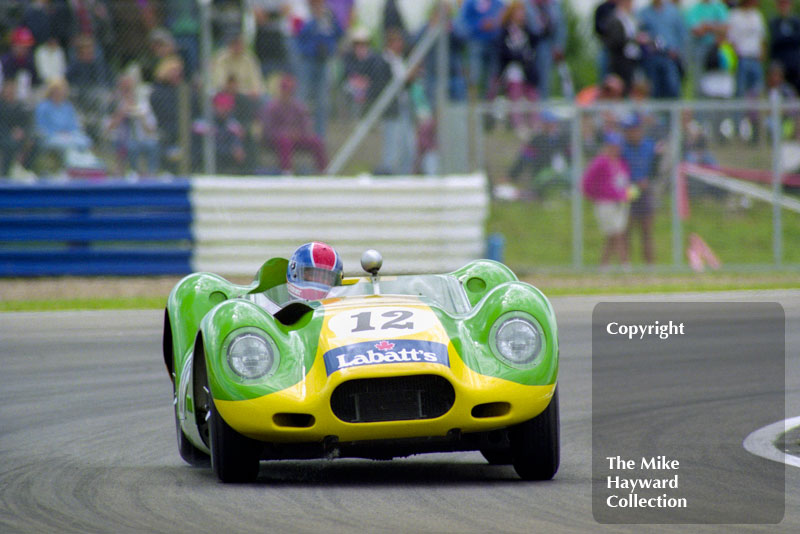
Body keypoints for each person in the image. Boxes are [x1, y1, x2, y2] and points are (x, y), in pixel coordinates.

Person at [582, 130, 632, 269]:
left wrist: (627, 195)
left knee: (613, 234)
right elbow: (587, 182)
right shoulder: (601, 162)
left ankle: (604, 265)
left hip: (620, 203)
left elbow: (625, 182)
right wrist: (595, 194)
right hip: (606, 202)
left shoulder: (621, 162)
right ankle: (625, 263)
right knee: (616, 233)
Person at [259, 74, 327, 174]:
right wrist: (285, 133)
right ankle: (287, 171)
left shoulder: (298, 107)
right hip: (278, 138)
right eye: (286, 90)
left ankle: (324, 170)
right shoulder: (272, 108)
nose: (288, 93)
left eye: (290, 91)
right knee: (285, 141)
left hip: (297, 137)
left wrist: (298, 133)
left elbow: (306, 125)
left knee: (316, 141)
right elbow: (268, 129)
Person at [297, 0, 343, 138]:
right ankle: (300, 132)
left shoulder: (328, 17)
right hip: (308, 61)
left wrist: (331, 19)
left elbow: (339, 33)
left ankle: (319, 136)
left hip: (323, 62)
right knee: (303, 98)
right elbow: (300, 35)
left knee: (322, 100)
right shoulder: (304, 14)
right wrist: (314, 20)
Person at [621, 114, 659, 264]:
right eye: (627, 130)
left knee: (647, 231)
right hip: (627, 192)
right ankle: (627, 266)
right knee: (626, 231)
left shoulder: (649, 146)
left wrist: (647, 181)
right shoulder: (622, 148)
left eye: (633, 130)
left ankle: (650, 266)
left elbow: (655, 170)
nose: (630, 133)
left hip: (645, 192)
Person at [105, 74, 160, 176]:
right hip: (120, 138)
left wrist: (141, 117)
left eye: (130, 89)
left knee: (152, 145)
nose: (128, 93)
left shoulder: (143, 104)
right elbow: (108, 128)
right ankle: (135, 172)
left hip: (142, 138)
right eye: (125, 89)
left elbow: (152, 129)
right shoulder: (113, 103)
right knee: (131, 147)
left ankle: (151, 174)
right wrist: (121, 113)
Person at [498, 1, 541, 132]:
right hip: (512, 68)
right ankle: (518, 123)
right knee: (515, 93)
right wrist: (517, 56)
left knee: (532, 94)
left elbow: (536, 40)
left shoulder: (527, 30)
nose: (520, 15)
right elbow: (503, 51)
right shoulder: (505, 31)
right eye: (518, 12)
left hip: (527, 69)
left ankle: (535, 123)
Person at [637, 0, 688, 99]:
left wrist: (677, 51)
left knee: (672, 87)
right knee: (653, 89)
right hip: (652, 57)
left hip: (670, 57)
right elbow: (639, 34)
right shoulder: (643, 13)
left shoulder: (673, 12)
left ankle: (673, 113)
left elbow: (682, 35)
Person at [458, 0, 504, 98]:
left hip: (495, 45)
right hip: (475, 44)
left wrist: (495, 24)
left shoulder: (498, 3)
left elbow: (504, 21)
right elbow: (463, 24)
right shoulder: (470, 3)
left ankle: (486, 106)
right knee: (475, 77)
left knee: (492, 79)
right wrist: (480, 25)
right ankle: (473, 105)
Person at [684, 0, 729, 98]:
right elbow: (697, 31)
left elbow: (725, 29)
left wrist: (707, 26)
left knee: (721, 85)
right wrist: (715, 26)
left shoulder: (720, 7)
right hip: (700, 51)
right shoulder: (694, 9)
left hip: (719, 52)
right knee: (700, 84)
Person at [34, 77, 92, 153]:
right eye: (57, 91)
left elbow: (73, 125)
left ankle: (87, 163)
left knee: (85, 141)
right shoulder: (43, 107)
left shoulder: (68, 107)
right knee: (66, 144)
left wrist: (69, 133)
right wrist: (58, 133)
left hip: (69, 135)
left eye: (62, 91)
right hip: (51, 136)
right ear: (51, 91)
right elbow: (41, 127)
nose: (60, 93)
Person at [601, 0, 643, 94]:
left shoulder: (631, 18)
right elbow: (614, 40)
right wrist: (633, 39)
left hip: (631, 59)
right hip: (620, 60)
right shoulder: (615, 18)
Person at [727, 0, 765, 99]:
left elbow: (761, 37)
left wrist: (761, 54)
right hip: (741, 59)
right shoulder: (734, 15)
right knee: (740, 92)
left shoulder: (757, 15)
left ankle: (754, 115)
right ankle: (739, 115)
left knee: (757, 92)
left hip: (755, 59)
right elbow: (731, 39)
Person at [0, 80, 37, 178]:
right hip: (3, 134)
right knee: (10, 144)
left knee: (35, 142)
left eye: (12, 90)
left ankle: (25, 169)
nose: (10, 92)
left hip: (20, 134)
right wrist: (10, 132)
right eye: (8, 90)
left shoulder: (21, 106)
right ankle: (5, 173)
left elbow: (27, 123)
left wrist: (23, 131)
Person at [769, 0, 800, 95]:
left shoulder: (796, 21)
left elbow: (797, 39)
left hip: (794, 64)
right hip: (780, 63)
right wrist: (789, 38)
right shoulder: (774, 22)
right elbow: (776, 39)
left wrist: (784, 39)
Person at [1, 27, 40, 101]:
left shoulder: (30, 61)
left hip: (25, 99)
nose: (24, 49)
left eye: (27, 47)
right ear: (14, 45)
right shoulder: (5, 61)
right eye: (21, 46)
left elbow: (36, 82)